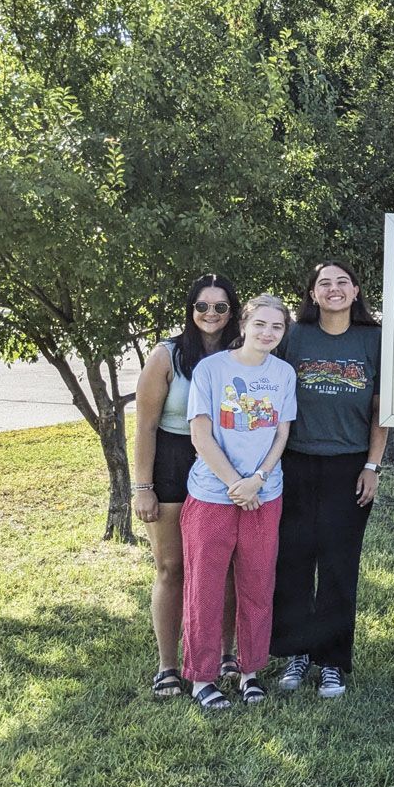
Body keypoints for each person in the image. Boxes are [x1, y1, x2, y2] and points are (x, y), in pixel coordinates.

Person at [271, 260, 385, 699]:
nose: (333, 289)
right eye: (324, 283)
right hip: (294, 462)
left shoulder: (373, 340)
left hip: (350, 465)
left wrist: (372, 466)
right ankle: (298, 653)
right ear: (312, 294)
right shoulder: (294, 337)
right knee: (295, 560)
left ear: (356, 291)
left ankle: (332, 661)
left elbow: (381, 408)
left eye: (342, 282)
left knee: (339, 564)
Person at [181, 294, 297, 709]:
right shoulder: (212, 370)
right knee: (206, 588)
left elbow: (281, 433)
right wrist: (236, 484)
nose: (268, 333)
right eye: (261, 324)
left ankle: (250, 671)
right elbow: (201, 434)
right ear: (244, 324)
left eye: (277, 327)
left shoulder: (283, 373)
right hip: (213, 495)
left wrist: (258, 480)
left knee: (257, 584)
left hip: (265, 495)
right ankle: (202, 678)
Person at [130, 273, 241, 697]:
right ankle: (167, 666)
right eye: (201, 306)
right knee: (171, 567)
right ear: (190, 309)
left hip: (225, 464)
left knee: (227, 566)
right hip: (173, 464)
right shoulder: (167, 355)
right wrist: (143, 486)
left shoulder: (242, 354)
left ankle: (226, 655)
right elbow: (145, 425)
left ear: (232, 312)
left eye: (219, 307)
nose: (210, 314)